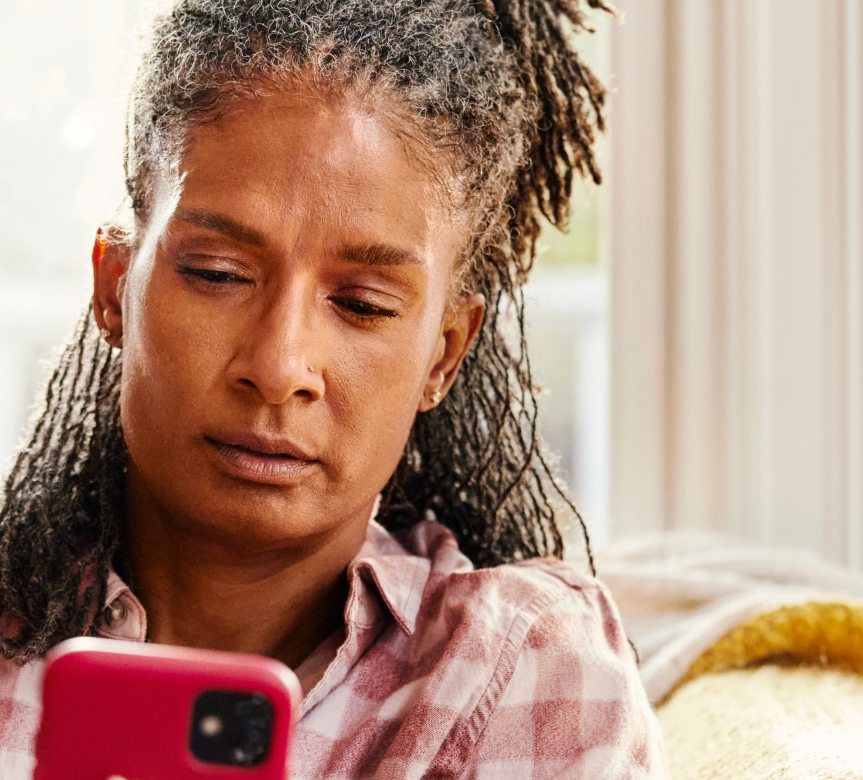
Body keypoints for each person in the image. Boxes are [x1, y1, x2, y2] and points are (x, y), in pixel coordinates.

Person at [0, 0, 667, 776]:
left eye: (362, 305)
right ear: (115, 290)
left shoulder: (518, 669)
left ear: (443, 355)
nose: (280, 366)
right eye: (217, 274)